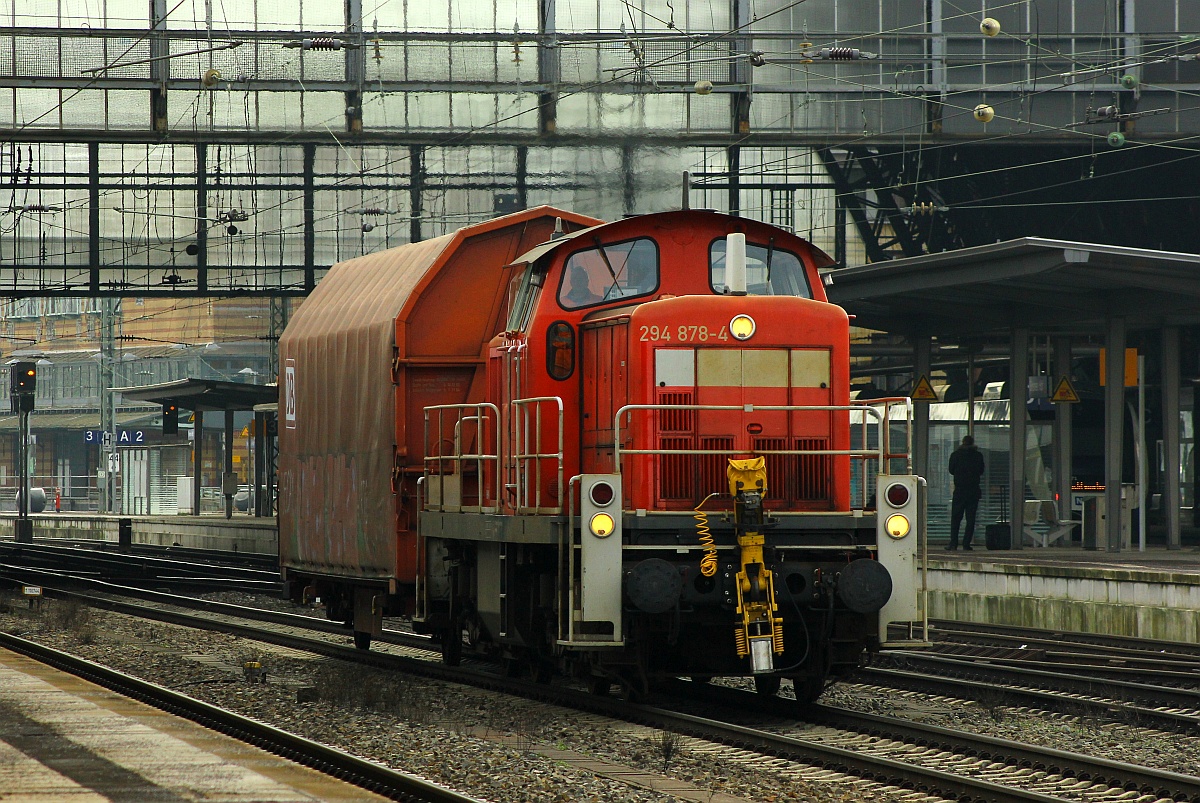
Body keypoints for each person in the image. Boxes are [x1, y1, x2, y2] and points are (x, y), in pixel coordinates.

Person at [946, 434, 985, 550]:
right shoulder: (978, 456)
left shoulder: (956, 455)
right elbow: (981, 471)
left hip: (960, 490)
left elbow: (951, 470)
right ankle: (966, 544)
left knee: (956, 517)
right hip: (973, 490)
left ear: (962, 442)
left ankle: (953, 543)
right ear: (973, 443)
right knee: (971, 518)